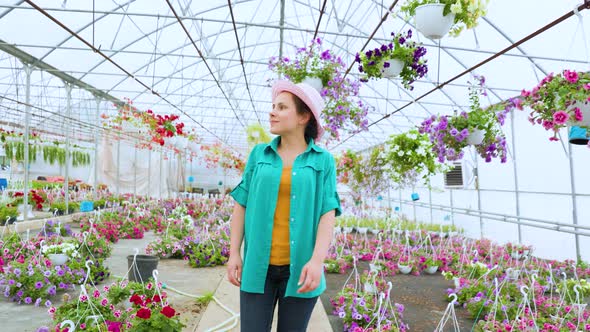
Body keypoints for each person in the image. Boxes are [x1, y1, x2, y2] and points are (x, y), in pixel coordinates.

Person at [227, 80, 342, 331]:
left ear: (303, 117)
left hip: (300, 270)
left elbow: (327, 213)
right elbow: (241, 204)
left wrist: (316, 261)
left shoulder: (323, 161)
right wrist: (234, 252)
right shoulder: (259, 155)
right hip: (258, 267)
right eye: (273, 106)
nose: (272, 112)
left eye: (281, 107)